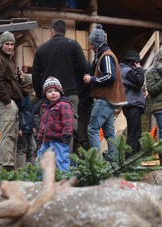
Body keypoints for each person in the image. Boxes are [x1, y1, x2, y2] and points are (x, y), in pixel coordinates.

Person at [32, 19, 88, 151]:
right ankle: (65, 163)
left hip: (48, 96)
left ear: (52, 31)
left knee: (47, 127)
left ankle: (49, 162)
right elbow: (84, 67)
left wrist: (41, 94)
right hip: (70, 94)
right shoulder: (73, 45)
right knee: (69, 129)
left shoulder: (41, 49)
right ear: (64, 31)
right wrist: (76, 86)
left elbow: (35, 74)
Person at [83, 24, 127, 161]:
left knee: (92, 129)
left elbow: (110, 75)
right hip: (109, 99)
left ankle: (95, 161)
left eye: (91, 43)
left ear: (96, 43)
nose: (90, 46)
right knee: (109, 132)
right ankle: (114, 159)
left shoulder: (106, 56)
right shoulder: (104, 54)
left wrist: (92, 79)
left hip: (105, 99)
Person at [0, 31, 23, 171]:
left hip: (10, 102)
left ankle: (10, 166)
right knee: (7, 135)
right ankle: (7, 167)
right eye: (7, 44)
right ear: (1, 45)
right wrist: (8, 101)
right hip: (5, 103)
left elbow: (7, 81)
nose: (10, 47)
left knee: (12, 135)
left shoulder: (7, 59)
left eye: (12, 44)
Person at [36, 76, 74, 172]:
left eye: (56, 91)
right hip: (46, 140)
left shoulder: (64, 105)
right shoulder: (45, 108)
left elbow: (68, 121)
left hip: (59, 140)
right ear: (45, 95)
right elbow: (42, 125)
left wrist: (67, 134)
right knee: (42, 159)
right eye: (49, 91)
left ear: (60, 92)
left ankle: (64, 177)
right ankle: (42, 179)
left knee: (61, 159)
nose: (53, 93)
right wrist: (39, 139)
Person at [119, 50, 146, 156]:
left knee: (135, 133)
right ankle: (130, 160)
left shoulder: (124, 70)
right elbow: (139, 81)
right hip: (132, 105)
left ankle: (135, 158)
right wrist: (139, 70)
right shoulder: (127, 71)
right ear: (134, 62)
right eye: (138, 62)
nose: (139, 64)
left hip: (131, 104)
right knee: (134, 134)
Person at [18, 74, 37, 166]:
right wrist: (18, 128)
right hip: (22, 128)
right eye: (27, 88)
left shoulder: (28, 97)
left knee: (32, 147)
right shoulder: (19, 98)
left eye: (30, 88)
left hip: (29, 127)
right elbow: (16, 114)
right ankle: (22, 169)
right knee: (22, 148)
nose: (29, 90)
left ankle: (31, 168)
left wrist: (33, 126)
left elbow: (31, 112)